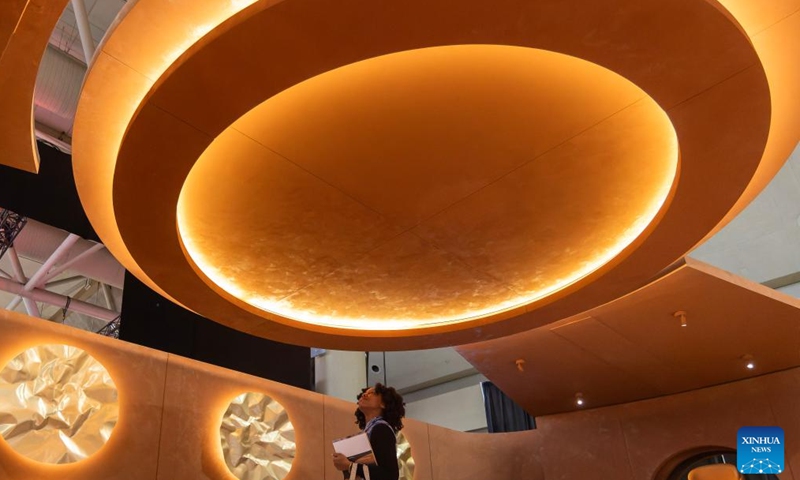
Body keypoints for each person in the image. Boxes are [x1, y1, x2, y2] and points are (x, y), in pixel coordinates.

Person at [333, 383, 405, 480]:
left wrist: (349, 465)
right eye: (365, 393)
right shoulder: (370, 431)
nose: (364, 395)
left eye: (372, 393)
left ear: (383, 404)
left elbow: (389, 475)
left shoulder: (381, 429)